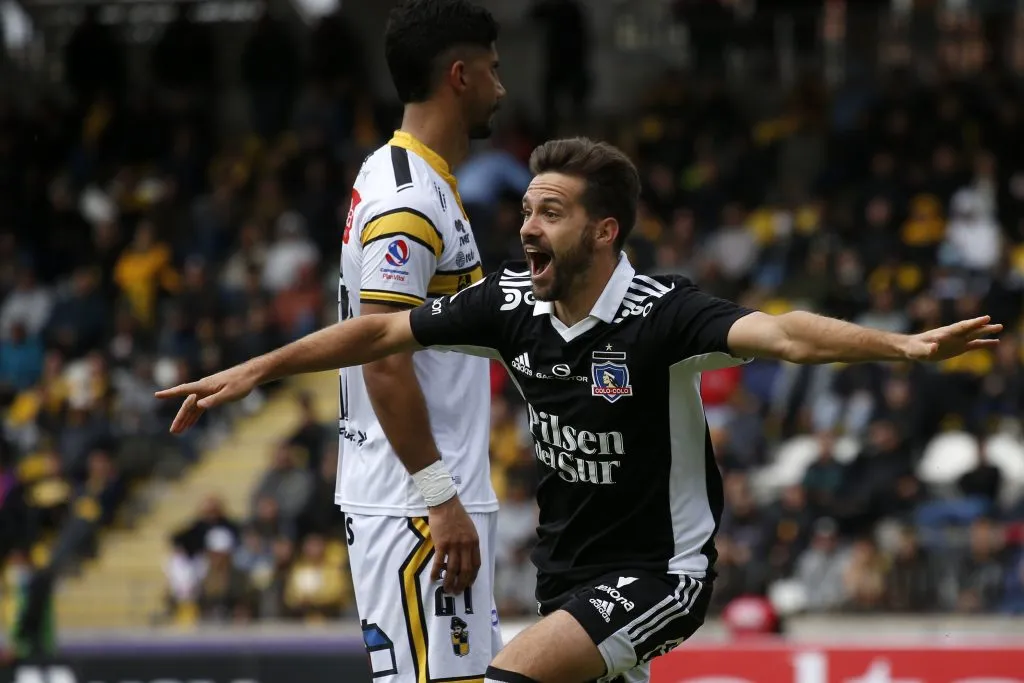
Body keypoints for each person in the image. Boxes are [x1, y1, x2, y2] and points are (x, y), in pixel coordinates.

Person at [156, 137, 1002, 683]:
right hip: (567, 576)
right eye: (525, 208)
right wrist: (257, 369)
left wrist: (904, 345)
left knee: (506, 680)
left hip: (662, 573)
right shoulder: (512, 305)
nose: (526, 226)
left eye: (549, 213)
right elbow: (379, 332)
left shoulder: (665, 315)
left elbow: (785, 334)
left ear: (604, 233)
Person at [331, 0, 506, 679]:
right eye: (493, 69)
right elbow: (383, 359)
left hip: (429, 498)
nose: (502, 86)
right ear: (459, 76)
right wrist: (440, 495)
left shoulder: (419, 180)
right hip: (416, 507)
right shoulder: (407, 199)